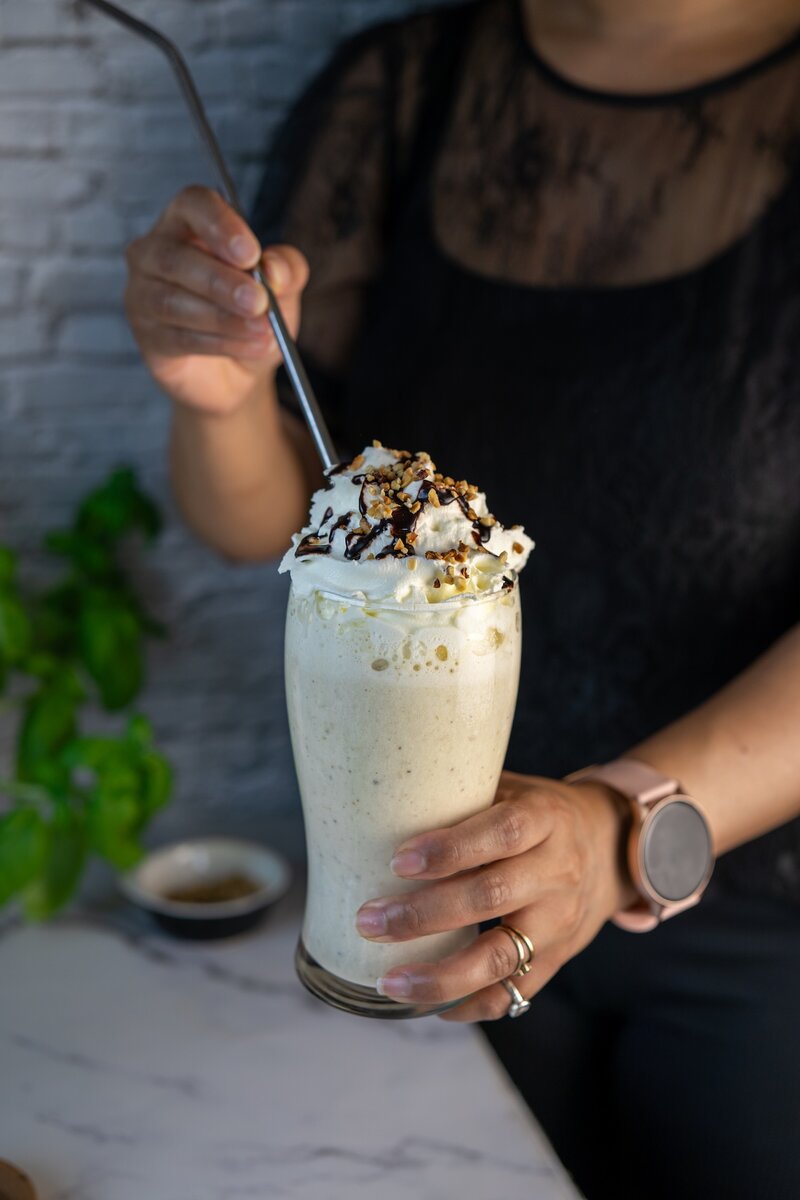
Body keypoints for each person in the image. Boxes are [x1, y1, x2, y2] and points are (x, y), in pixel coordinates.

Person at [123, 1, 800, 1195]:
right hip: (411, 884)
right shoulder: (405, 90)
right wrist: (216, 398)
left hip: (751, 905)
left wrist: (615, 826)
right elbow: (266, 530)